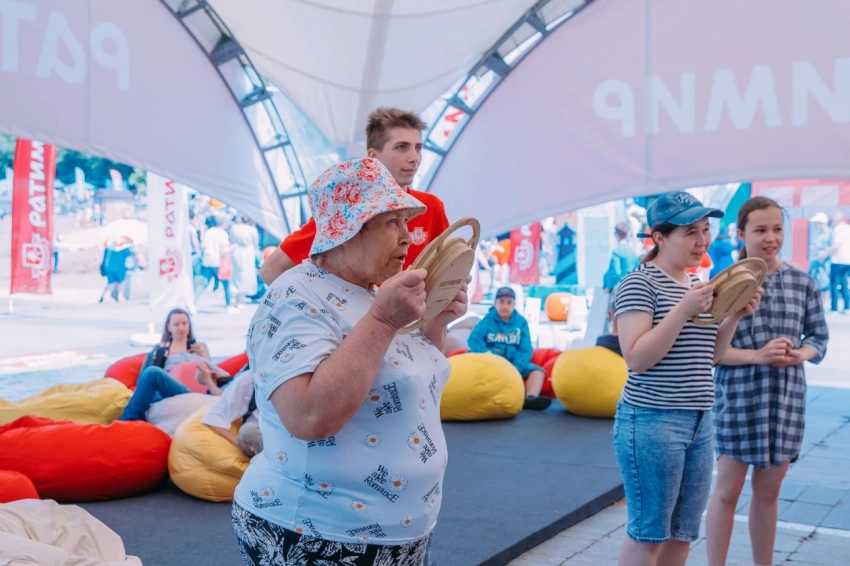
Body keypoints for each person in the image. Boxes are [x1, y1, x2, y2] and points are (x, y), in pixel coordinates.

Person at [231, 158, 467, 565]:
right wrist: (382, 321)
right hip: (315, 536)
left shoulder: (374, 293)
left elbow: (404, 386)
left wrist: (435, 323)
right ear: (346, 231)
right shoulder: (294, 297)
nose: (408, 237)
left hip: (395, 537)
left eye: (406, 221)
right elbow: (308, 417)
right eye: (392, 222)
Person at [612, 192, 763, 566]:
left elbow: (708, 357)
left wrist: (734, 315)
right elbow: (637, 358)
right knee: (649, 532)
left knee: (683, 532)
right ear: (659, 237)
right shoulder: (639, 283)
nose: (702, 240)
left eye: (705, 229)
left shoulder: (696, 283)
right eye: (690, 231)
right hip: (652, 419)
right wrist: (682, 310)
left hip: (699, 420)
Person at [705, 197, 829, 566]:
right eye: (760, 230)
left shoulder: (803, 283)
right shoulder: (721, 285)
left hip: (785, 401)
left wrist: (799, 354)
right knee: (726, 492)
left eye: (777, 229)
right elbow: (712, 353)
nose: (771, 238)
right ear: (740, 233)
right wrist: (759, 355)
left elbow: (818, 338)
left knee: (769, 493)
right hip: (738, 400)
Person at [260, 108, 449, 286]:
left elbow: (447, 268)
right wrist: (322, 306)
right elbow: (271, 270)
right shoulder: (347, 212)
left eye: (418, 148)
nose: (414, 157)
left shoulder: (431, 207)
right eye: (401, 147)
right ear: (373, 157)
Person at [119, 308, 230, 421]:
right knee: (152, 373)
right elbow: (144, 378)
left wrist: (202, 355)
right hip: (176, 390)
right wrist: (159, 356)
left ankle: (126, 419)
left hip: (200, 395)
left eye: (184, 323)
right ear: (169, 327)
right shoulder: (161, 348)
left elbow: (213, 374)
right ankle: (128, 419)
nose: (181, 328)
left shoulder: (200, 347)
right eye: (176, 324)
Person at [466, 287, 552, 411]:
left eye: (509, 302)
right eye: (501, 302)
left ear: (514, 304)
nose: (505, 306)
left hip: (513, 363)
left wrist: (516, 366)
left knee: (538, 372)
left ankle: (530, 398)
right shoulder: (487, 320)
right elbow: (474, 339)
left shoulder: (521, 322)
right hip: (490, 362)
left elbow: (526, 348)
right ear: (495, 303)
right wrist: (489, 357)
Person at [203, 367, 262, 458]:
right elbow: (213, 418)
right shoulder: (250, 378)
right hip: (263, 443)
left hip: (283, 439)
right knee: (248, 430)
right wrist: (241, 446)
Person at [194, 215, 233, 311]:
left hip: (207, 260)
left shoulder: (209, 232)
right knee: (226, 283)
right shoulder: (223, 233)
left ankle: (192, 303)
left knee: (203, 283)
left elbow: (203, 245)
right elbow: (224, 251)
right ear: (224, 223)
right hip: (219, 261)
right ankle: (229, 305)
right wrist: (233, 247)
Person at [229, 216, 260, 309]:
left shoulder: (234, 228)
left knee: (236, 274)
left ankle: (236, 297)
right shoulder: (252, 230)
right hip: (248, 251)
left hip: (235, 250)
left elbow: (230, 239)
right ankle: (241, 299)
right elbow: (256, 243)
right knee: (246, 275)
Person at [603, 222, 639, 292]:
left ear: (615, 234)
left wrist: (609, 287)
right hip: (633, 285)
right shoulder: (633, 251)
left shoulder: (616, 251)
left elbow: (616, 272)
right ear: (627, 234)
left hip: (621, 287)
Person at [826, 212, 850, 313]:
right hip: (848, 260)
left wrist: (825, 253)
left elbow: (837, 244)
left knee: (834, 284)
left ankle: (834, 308)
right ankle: (846, 307)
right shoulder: (848, 228)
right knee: (845, 283)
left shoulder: (838, 229)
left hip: (837, 260)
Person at [98, 236, 133, 303]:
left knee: (111, 283)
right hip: (120, 268)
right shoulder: (123, 248)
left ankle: (107, 296)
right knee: (120, 282)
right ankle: (120, 296)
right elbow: (128, 256)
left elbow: (104, 258)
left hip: (109, 268)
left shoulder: (108, 248)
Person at [807, 212, 831, 293]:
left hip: (825, 260)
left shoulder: (830, 233)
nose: (816, 225)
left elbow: (831, 246)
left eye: (817, 223)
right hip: (815, 259)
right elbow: (814, 244)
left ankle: (826, 298)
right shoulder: (817, 233)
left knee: (825, 280)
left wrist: (824, 254)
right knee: (813, 278)